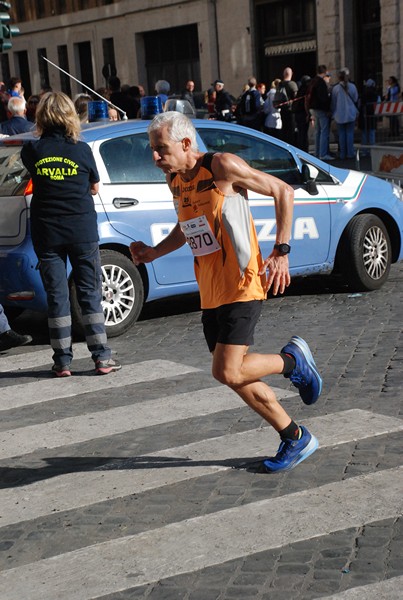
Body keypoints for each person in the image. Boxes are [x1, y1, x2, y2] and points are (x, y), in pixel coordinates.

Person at [130, 111, 322, 473]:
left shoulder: (221, 166)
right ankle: (295, 436)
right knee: (231, 374)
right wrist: (155, 251)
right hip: (211, 290)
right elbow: (187, 227)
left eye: (160, 149)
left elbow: (283, 191)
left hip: (242, 282)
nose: (155, 157)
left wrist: (281, 251)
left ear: (186, 143)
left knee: (230, 371)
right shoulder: (176, 181)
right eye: (152, 149)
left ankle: (294, 362)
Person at [20, 92, 121, 377]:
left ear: (41, 117)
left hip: (47, 231)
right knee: (90, 292)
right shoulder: (82, 149)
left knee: (57, 296)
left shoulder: (32, 151)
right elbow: (94, 187)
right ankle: (101, 357)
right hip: (81, 230)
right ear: (69, 116)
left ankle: (62, 361)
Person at [305, 65, 333, 160]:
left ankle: (317, 153)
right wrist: (327, 109)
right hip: (321, 109)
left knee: (317, 131)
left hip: (313, 109)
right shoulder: (321, 82)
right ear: (324, 72)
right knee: (324, 131)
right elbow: (323, 98)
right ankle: (323, 153)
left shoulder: (313, 81)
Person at [331, 67, 359, 160]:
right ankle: (350, 153)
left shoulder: (335, 88)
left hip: (339, 114)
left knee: (342, 134)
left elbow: (333, 101)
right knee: (350, 134)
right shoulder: (352, 87)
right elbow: (355, 99)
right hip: (350, 113)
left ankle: (343, 153)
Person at [276, 67, 298, 144]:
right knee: (291, 131)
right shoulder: (292, 84)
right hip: (291, 111)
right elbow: (296, 97)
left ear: (283, 74)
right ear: (291, 74)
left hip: (282, 111)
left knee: (284, 130)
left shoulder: (280, 85)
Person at [358, 78, 379, 151]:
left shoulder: (363, 94)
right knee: (371, 131)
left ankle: (364, 150)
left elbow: (360, 104)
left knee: (364, 132)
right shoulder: (375, 94)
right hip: (371, 114)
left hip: (364, 114)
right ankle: (372, 148)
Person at [293, 75, 311, 152]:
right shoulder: (305, 90)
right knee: (303, 133)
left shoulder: (300, 90)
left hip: (298, 114)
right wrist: (308, 114)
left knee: (301, 132)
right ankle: (304, 149)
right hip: (303, 114)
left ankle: (301, 149)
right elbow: (306, 103)